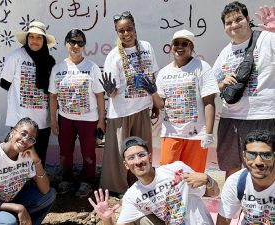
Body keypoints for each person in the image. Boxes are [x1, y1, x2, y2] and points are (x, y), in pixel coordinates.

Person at [89, 136, 220, 225]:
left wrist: (209, 180)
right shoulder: (132, 196)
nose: (138, 161)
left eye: (141, 155)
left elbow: (214, 194)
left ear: (150, 157)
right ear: (126, 165)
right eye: (131, 158)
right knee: (139, 219)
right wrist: (106, 218)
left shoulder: (177, 169)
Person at [210, 2, 275, 179]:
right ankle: (234, 205)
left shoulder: (267, 39)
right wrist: (222, 84)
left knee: (265, 169)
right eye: (229, 23)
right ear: (224, 27)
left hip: (262, 116)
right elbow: (208, 85)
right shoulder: (225, 52)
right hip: (230, 119)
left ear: (248, 20)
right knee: (231, 168)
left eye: (239, 19)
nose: (234, 25)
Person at [140, 29, 219, 173]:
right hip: (171, 133)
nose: (180, 46)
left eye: (185, 43)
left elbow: (209, 102)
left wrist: (208, 133)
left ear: (191, 47)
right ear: (171, 47)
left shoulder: (202, 67)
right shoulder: (164, 72)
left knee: (193, 177)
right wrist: (153, 93)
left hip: (196, 134)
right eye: (176, 43)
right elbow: (161, 105)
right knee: (168, 176)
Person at [99, 11, 159, 195]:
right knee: (119, 154)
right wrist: (110, 90)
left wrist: (155, 103)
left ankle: (142, 184)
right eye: (121, 31)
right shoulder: (113, 55)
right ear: (117, 32)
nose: (126, 34)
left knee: (141, 150)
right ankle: (116, 189)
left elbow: (153, 75)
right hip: (121, 112)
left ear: (135, 28)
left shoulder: (147, 47)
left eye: (129, 29)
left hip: (142, 108)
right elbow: (113, 91)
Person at [49, 29, 105, 196]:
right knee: (65, 152)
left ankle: (87, 181)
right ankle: (66, 179)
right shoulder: (58, 68)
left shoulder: (92, 67)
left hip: (89, 119)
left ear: (84, 46)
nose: (76, 45)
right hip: (65, 118)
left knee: (88, 152)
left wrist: (102, 120)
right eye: (72, 42)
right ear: (66, 43)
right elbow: (53, 97)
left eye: (80, 43)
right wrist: (53, 120)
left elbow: (100, 96)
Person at [0, 117, 56, 225]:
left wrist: (36, 160)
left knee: (49, 195)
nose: (25, 140)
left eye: (31, 139)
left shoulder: (26, 155)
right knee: (9, 222)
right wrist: (18, 208)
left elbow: (45, 190)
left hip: (9, 201)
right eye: (23, 133)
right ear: (12, 132)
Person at [0, 20, 56, 167]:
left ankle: (38, 184)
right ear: (27, 38)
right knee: (16, 159)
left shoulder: (50, 61)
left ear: (44, 41)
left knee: (39, 158)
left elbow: (52, 90)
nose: (34, 41)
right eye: (31, 37)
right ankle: (19, 186)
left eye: (39, 38)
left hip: (43, 121)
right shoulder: (15, 56)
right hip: (20, 120)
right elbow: (4, 83)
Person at [217, 130, 275, 225]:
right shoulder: (235, 182)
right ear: (244, 156)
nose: (258, 162)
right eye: (251, 155)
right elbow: (223, 221)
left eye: (266, 155)